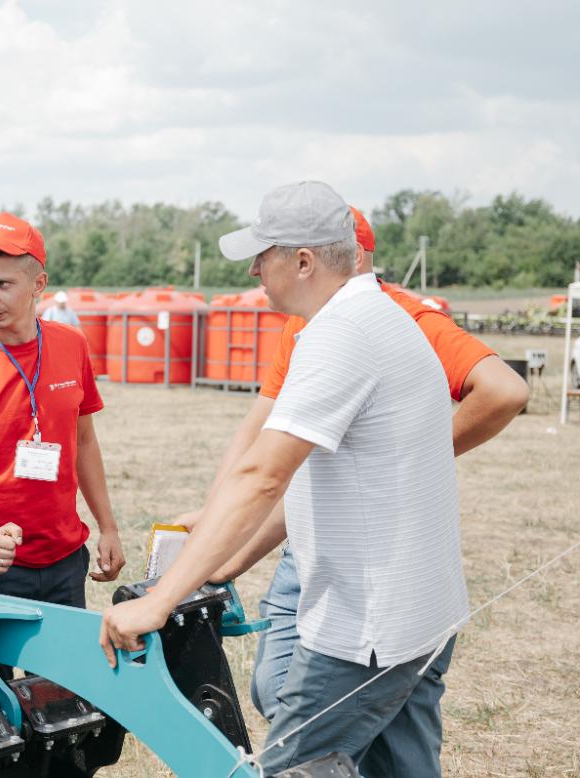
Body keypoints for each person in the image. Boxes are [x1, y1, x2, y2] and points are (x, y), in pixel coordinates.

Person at [101, 181, 470, 775]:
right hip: (423, 613)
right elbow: (312, 475)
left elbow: (263, 475)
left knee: (293, 766)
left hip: (366, 631)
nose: (252, 269)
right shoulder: (384, 315)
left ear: (302, 261)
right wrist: (229, 556)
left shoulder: (337, 335)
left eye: (262, 254)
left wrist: (159, 603)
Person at [177, 206, 527, 760]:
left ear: (319, 261)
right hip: (338, 549)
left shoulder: (390, 322)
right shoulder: (310, 326)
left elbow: (504, 390)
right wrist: (220, 517)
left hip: (371, 586)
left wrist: (414, 455)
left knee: (312, 742)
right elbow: (263, 438)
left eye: (264, 259)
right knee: (296, 695)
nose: (254, 274)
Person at [0, 212, 125, 614]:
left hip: (65, 558)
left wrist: (108, 526)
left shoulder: (71, 346)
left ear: (39, 285)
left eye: (3, 284)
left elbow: (83, 441)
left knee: (58, 679)